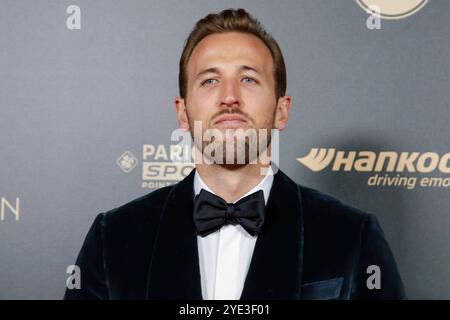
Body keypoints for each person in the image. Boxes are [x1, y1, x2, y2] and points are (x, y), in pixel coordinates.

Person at [64, 8, 405, 300]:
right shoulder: (114, 237)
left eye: (249, 79)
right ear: (182, 113)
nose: (229, 97)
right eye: (210, 81)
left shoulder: (351, 234)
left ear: (281, 110)